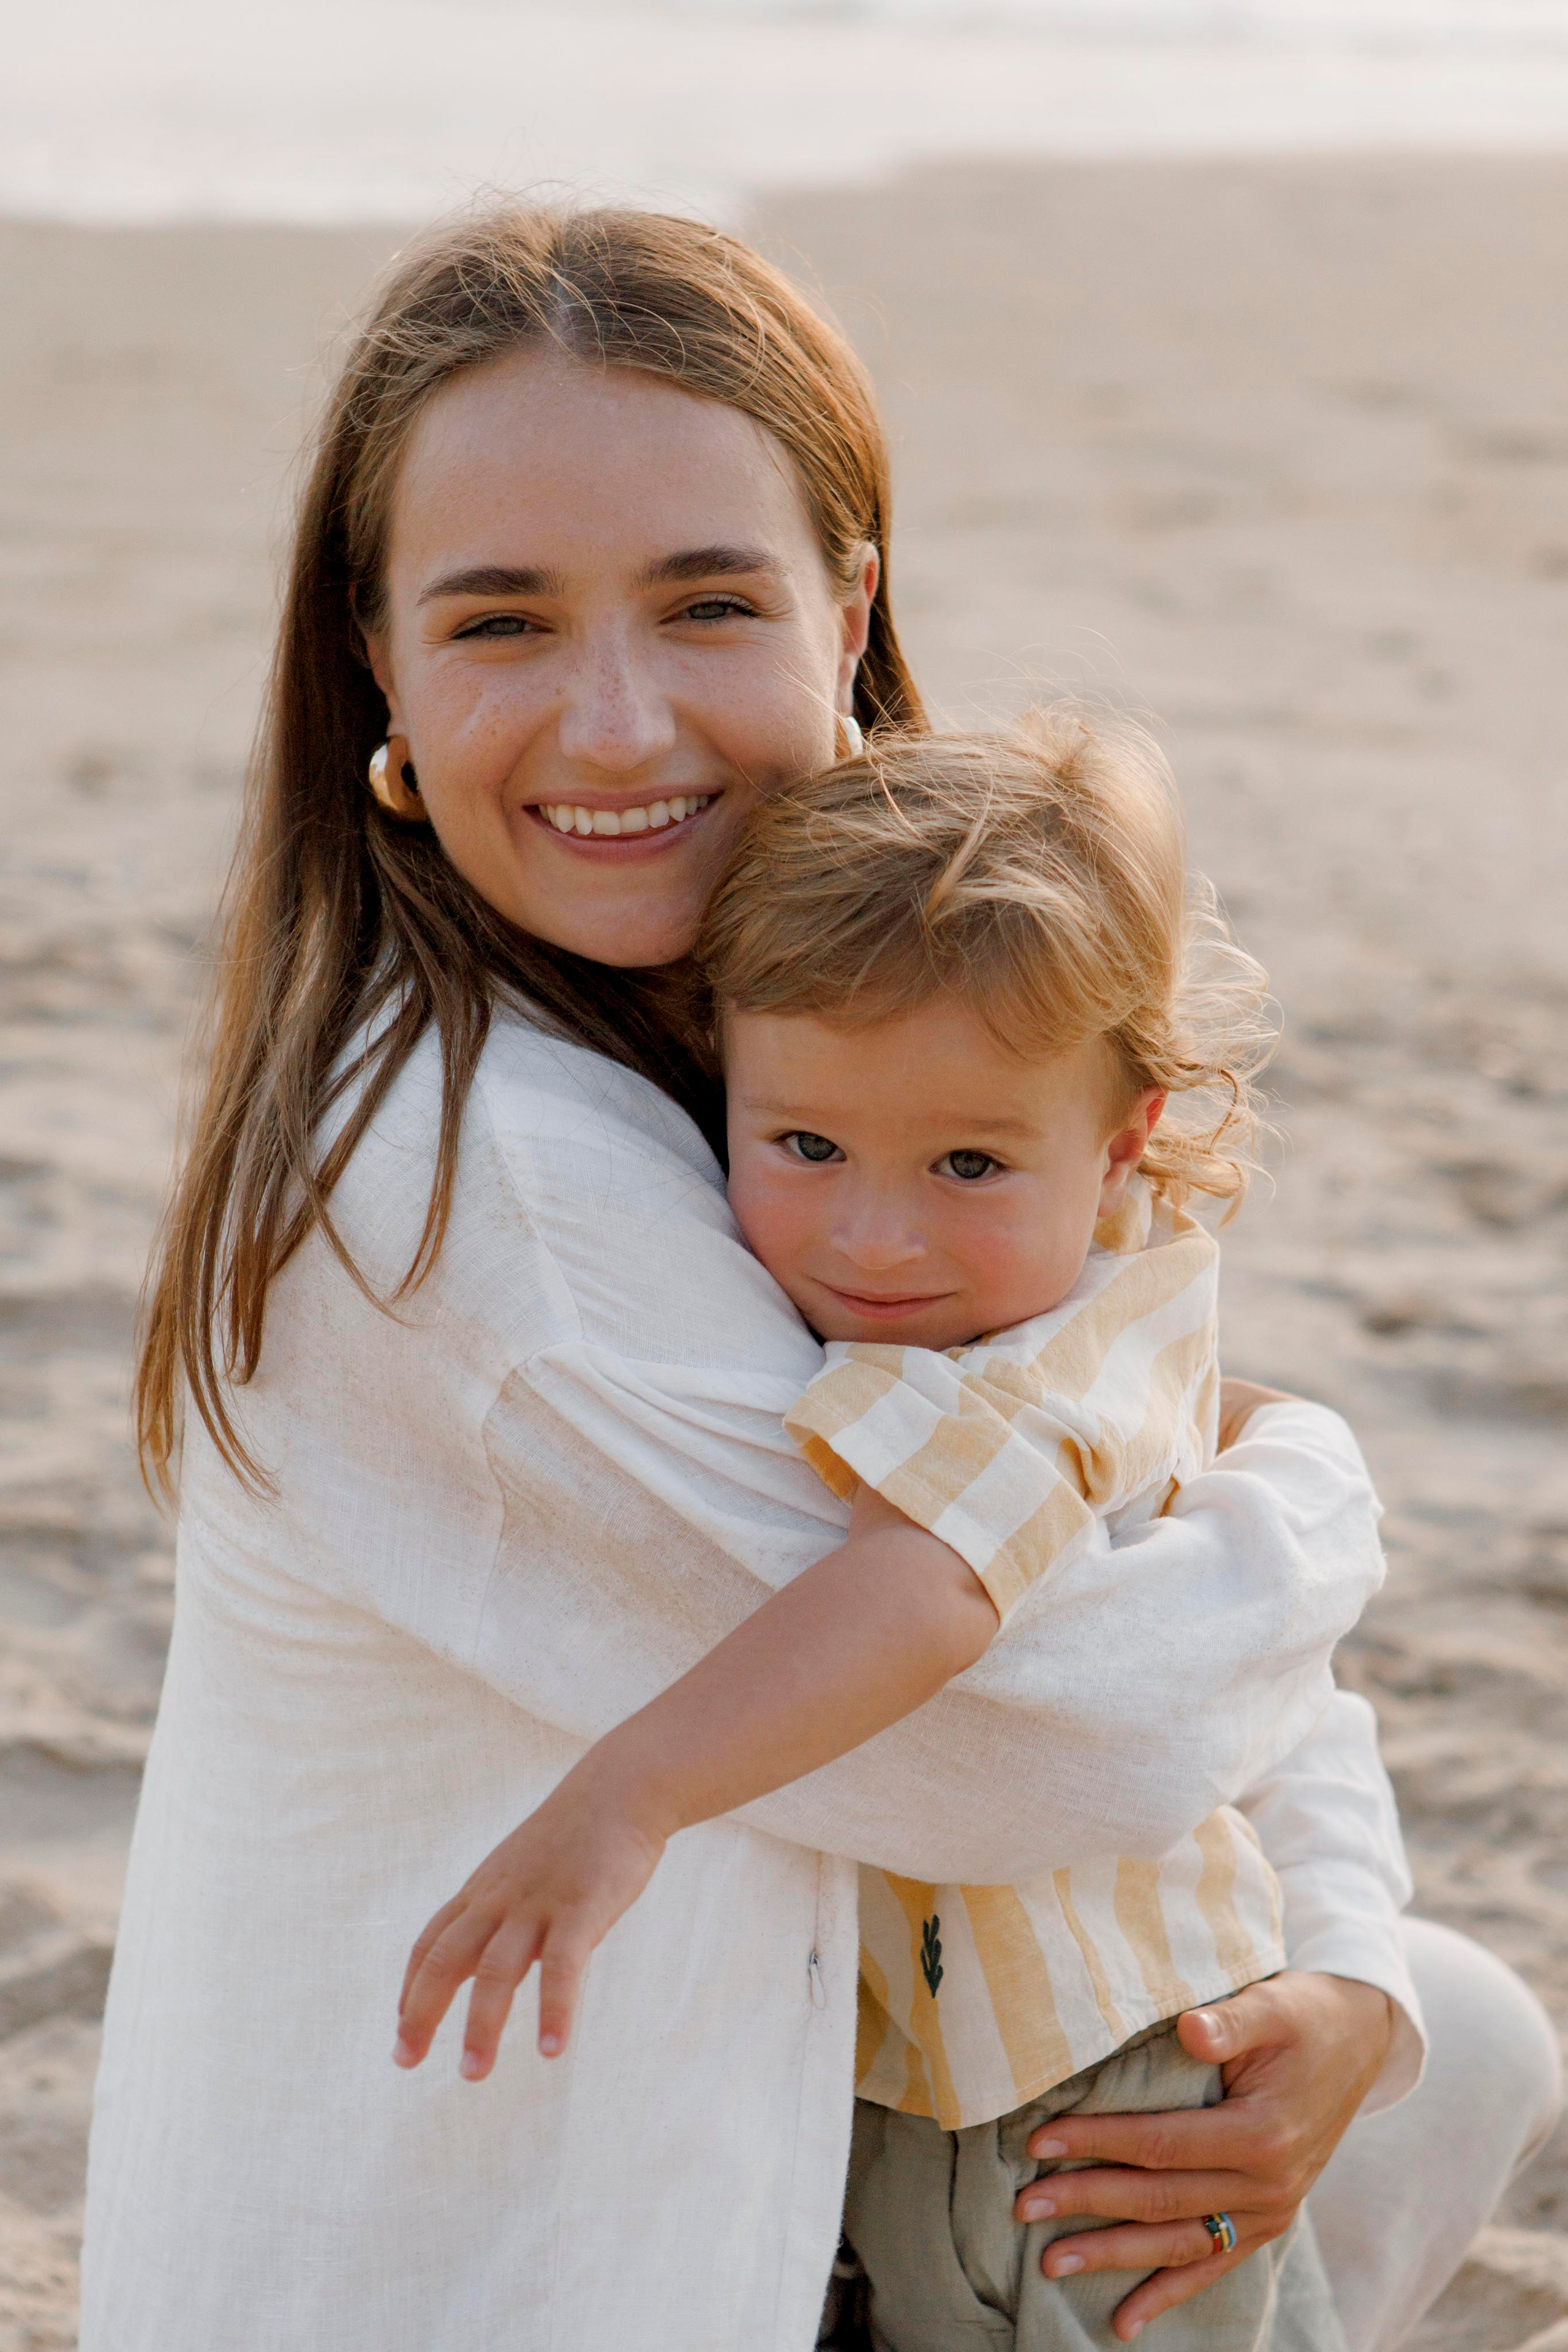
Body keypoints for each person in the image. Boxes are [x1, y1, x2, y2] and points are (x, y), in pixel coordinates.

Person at [82, 203, 1559, 2352]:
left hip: (846, 2144)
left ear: (850, 609)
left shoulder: (823, 1064)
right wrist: (1307, 1486)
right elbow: (1033, 1731)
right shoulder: (476, 1195)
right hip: (536, 2280)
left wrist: (1331, 1956)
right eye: (501, 621)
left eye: (708, 604)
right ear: (375, 664)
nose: (616, 723)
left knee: (1457, 2030)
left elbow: (1121, 1530)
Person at [393, 712, 1356, 2352]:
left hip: (1110, 2074)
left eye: (971, 1161)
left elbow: (926, 1590)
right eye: (806, 1145)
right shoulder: (934, 1290)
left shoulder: (1056, 1356)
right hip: (908, 2071)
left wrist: (632, 1795)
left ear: (1123, 1141)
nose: (874, 1234)